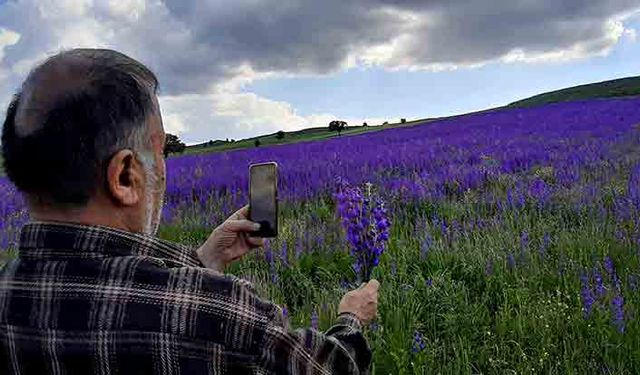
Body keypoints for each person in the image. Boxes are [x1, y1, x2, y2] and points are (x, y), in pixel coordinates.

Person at [0, 48, 379, 374]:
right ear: (125, 176)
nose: (164, 167)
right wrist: (351, 319)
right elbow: (331, 367)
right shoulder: (220, 312)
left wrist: (203, 259)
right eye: (160, 151)